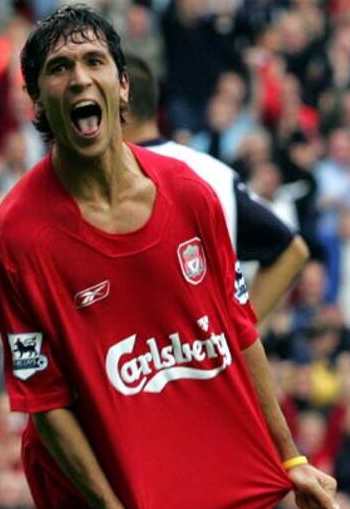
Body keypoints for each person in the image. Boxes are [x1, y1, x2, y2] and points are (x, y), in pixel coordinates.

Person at [0, 5, 339, 509]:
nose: (79, 78)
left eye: (95, 61)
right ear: (38, 103)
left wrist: (290, 456)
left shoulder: (190, 194)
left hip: (214, 468)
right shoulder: (17, 241)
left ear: (122, 85)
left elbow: (239, 330)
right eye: (59, 68)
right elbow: (45, 403)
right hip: (119, 508)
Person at [122, 54, 309, 323]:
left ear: (119, 106)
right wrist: (240, 331)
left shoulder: (107, 180)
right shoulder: (213, 172)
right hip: (205, 355)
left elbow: (292, 250)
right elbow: (292, 250)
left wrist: (241, 333)